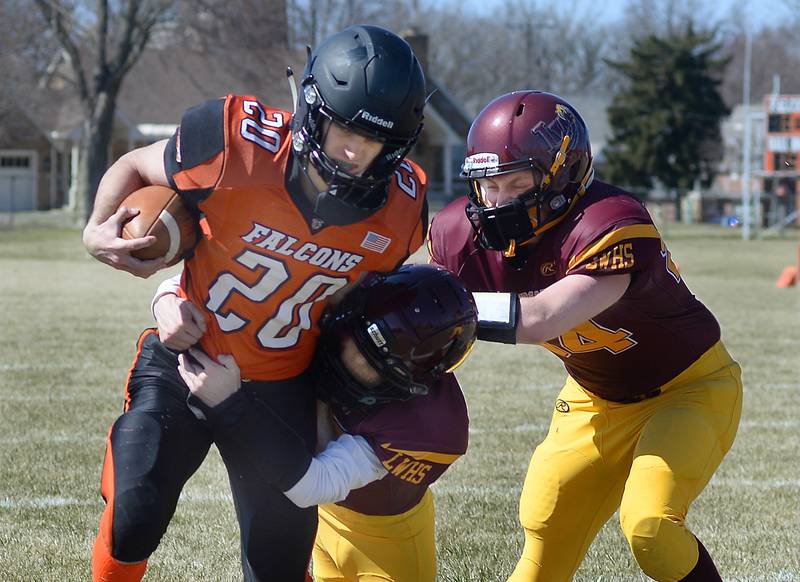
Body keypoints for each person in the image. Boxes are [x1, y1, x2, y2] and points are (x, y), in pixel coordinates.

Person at [83, 25, 429, 582]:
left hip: (280, 386)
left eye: (374, 141)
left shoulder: (402, 213)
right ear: (314, 109)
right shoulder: (233, 142)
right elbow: (137, 165)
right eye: (344, 128)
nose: (353, 151)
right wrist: (98, 231)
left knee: (278, 564)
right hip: (187, 361)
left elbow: (349, 313)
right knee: (134, 512)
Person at [427, 90, 743, 582]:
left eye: (515, 182)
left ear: (562, 175)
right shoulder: (458, 236)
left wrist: (441, 309)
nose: (497, 202)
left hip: (689, 390)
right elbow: (431, 332)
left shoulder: (608, 221)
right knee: (544, 529)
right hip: (594, 397)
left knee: (650, 527)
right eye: (488, 185)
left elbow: (543, 317)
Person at [154, 263, 478, 582]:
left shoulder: (429, 426)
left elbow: (315, 485)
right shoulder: (337, 292)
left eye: (375, 364)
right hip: (323, 524)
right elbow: (219, 278)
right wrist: (167, 298)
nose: (349, 360)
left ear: (413, 378)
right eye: (352, 339)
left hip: (385, 540)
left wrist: (230, 405)